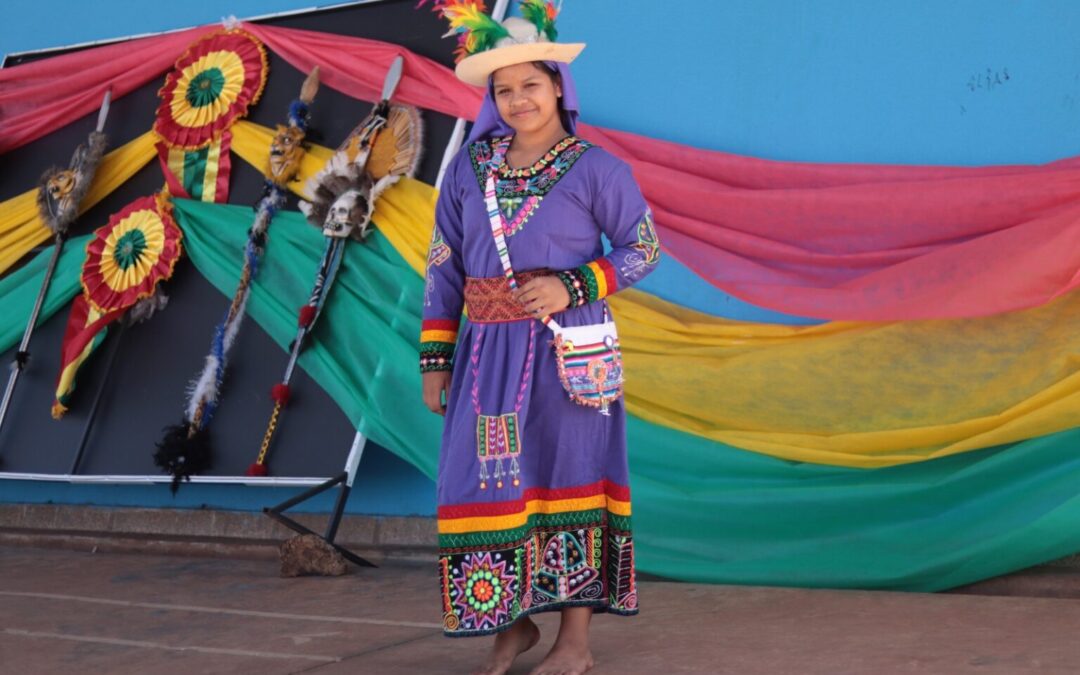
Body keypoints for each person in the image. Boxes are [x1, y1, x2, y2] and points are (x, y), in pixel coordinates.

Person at [420, 4, 660, 674]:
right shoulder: (468, 170)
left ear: (558, 86)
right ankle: (512, 622)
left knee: (569, 479)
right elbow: (444, 265)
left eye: (530, 83)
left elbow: (642, 249)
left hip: (566, 351)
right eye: (503, 89)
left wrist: (574, 285)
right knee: (479, 479)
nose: (518, 98)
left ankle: (575, 643)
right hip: (486, 354)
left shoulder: (596, 169)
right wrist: (436, 356)